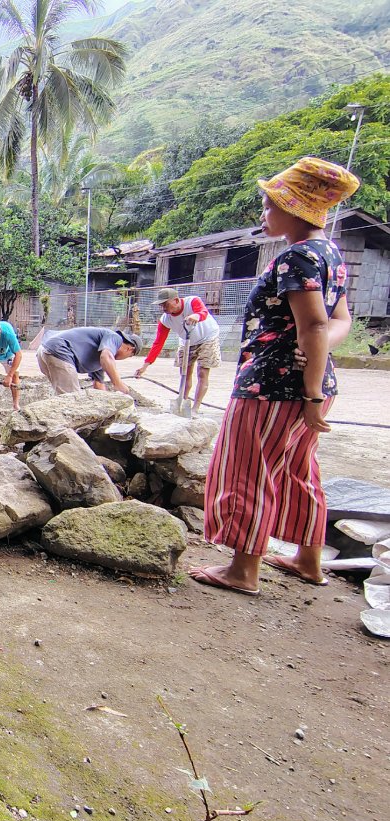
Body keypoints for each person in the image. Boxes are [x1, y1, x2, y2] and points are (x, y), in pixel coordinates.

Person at [190, 157, 359, 597]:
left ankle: (242, 569)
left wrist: (310, 387)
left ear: (294, 207)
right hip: (307, 385)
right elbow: (339, 321)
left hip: (272, 386)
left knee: (246, 468)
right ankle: (308, 559)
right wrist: (316, 369)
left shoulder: (296, 258)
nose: (264, 215)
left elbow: (318, 325)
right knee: (299, 470)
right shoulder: (332, 256)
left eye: (268, 206)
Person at [134, 287, 221, 416]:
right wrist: (145, 365)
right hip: (186, 340)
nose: (163, 308)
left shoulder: (192, 302)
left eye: (165, 304)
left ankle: (195, 408)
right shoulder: (165, 320)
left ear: (175, 300)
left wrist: (196, 315)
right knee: (185, 373)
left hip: (207, 338)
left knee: (202, 372)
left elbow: (203, 312)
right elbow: (158, 343)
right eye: (161, 305)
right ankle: (182, 402)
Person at [36, 327, 141, 395]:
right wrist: (118, 384)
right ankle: (64, 429)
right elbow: (107, 356)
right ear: (130, 349)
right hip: (58, 350)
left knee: (63, 395)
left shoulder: (99, 359)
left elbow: (99, 385)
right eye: (129, 356)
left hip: (45, 351)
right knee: (71, 400)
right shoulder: (115, 337)